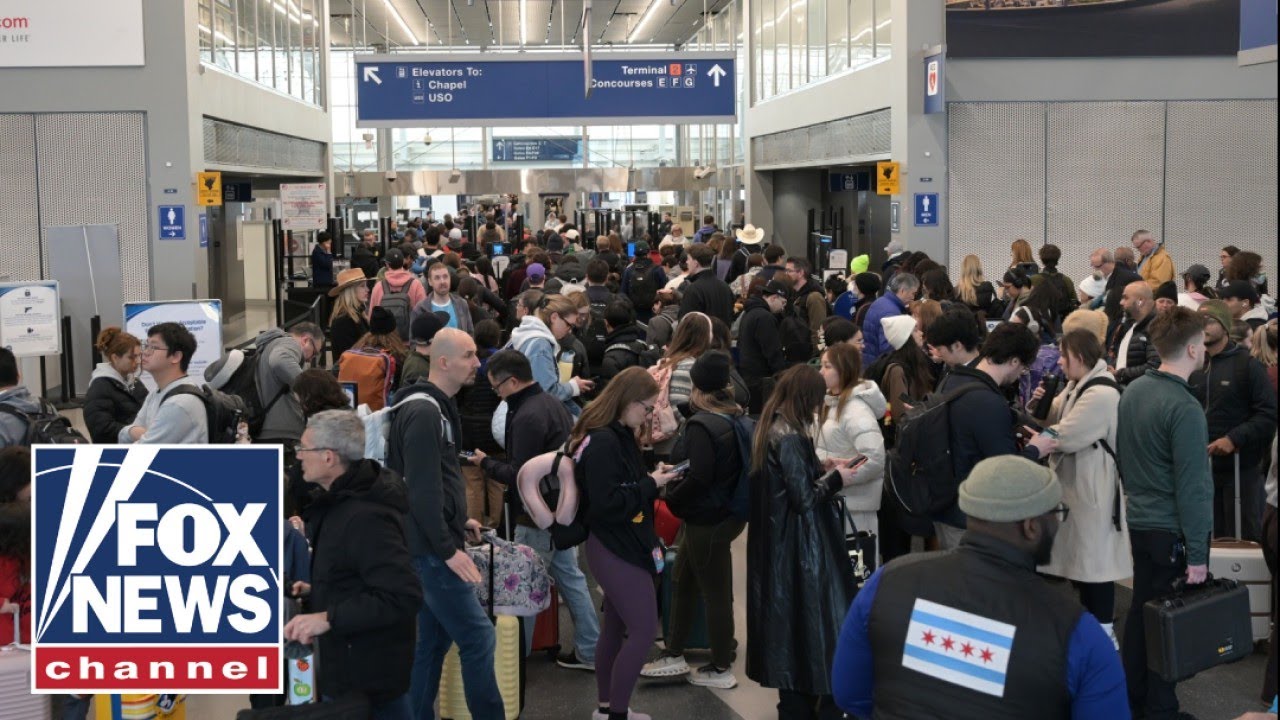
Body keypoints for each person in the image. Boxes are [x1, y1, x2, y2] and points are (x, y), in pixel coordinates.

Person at [831, 455, 1128, 719]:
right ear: (1031, 526)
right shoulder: (1076, 633)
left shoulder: (887, 582)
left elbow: (849, 693)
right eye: (1057, 514)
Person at [384, 329, 505, 720]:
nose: (477, 363)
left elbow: (433, 482)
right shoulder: (423, 413)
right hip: (431, 553)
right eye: (469, 356)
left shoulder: (433, 408)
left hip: (426, 545)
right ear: (443, 362)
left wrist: (458, 517)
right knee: (478, 636)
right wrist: (447, 548)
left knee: (431, 644)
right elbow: (419, 491)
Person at [466, 350, 600, 670]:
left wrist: (485, 463)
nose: (496, 394)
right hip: (561, 509)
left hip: (536, 514)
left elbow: (518, 474)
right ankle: (591, 649)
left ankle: (515, 659)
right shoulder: (552, 405)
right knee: (571, 579)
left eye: (497, 387)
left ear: (512, 381)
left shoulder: (526, 416)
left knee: (521, 586)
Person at [287, 410, 423, 720]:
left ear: (328, 457)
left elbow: (403, 595)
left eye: (303, 449)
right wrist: (318, 588)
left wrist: (327, 616)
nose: (298, 457)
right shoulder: (341, 502)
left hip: (369, 677)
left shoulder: (365, 516)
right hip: (353, 666)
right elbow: (359, 573)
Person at [746, 365, 862, 719]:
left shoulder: (771, 426)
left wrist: (821, 464)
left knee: (788, 639)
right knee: (819, 633)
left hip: (775, 548)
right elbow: (804, 499)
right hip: (802, 550)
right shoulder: (793, 435)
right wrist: (837, 478)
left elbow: (784, 483)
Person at [570, 367, 681, 720]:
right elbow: (606, 503)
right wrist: (650, 483)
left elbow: (620, 488)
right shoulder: (605, 441)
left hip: (619, 543)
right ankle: (615, 713)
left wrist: (650, 477)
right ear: (627, 401)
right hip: (616, 545)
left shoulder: (613, 435)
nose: (649, 415)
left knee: (616, 628)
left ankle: (608, 708)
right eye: (647, 408)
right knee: (644, 629)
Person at [1118, 306, 1213, 719]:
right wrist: (1198, 555)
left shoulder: (1135, 390)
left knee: (1142, 613)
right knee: (1166, 624)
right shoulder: (1185, 408)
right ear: (1193, 350)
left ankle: (1134, 699)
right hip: (1170, 530)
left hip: (1138, 522)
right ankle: (1160, 708)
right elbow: (1194, 488)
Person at [642, 352, 748, 688]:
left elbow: (700, 476)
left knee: (713, 591)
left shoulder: (702, 425)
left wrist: (668, 497)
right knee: (684, 581)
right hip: (724, 514)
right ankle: (674, 649)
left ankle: (721, 666)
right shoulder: (734, 417)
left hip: (706, 519)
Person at [1030, 330, 1130, 646]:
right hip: (1077, 485)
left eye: (1064, 356)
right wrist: (1040, 404)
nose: (1059, 361)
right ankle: (1090, 629)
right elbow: (1052, 418)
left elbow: (1068, 433)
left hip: (1093, 487)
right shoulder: (1078, 385)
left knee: (1093, 564)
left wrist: (1036, 445)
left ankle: (1103, 632)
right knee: (1083, 561)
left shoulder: (1101, 393)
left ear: (1080, 357)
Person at [933, 323, 1059, 549]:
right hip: (970, 516)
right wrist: (1035, 449)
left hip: (945, 505)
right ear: (1013, 361)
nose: (1021, 373)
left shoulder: (952, 380)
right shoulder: (988, 402)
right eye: (1023, 367)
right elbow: (1005, 469)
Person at [1192, 300, 1277, 541]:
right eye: (1198, 321)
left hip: (1241, 469)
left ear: (1225, 325)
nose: (1203, 326)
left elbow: (1268, 414)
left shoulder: (1247, 365)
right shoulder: (1194, 364)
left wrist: (1233, 438)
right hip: (1201, 470)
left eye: (1209, 320)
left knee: (1244, 536)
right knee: (1208, 538)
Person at [815, 343, 887, 538]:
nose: (821, 372)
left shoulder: (856, 411)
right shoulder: (829, 403)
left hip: (854, 512)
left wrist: (838, 478)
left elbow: (874, 459)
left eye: (827, 366)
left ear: (843, 369)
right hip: (836, 503)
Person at [506, 292, 595, 418]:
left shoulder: (525, 333)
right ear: (554, 317)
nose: (569, 330)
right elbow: (546, 393)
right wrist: (573, 386)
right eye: (568, 325)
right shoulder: (540, 345)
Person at [119, 323, 208, 444]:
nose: (145, 352)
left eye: (153, 347)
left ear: (176, 356)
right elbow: (123, 436)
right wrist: (131, 431)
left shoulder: (179, 403)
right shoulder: (156, 393)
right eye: (146, 346)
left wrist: (135, 433)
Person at [254, 322, 325, 447]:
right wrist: (310, 388)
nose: (310, 359)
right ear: (305, 340)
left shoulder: (272, 344)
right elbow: (279, 360)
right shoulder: (290, 344)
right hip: (279, 432)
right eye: (314, 353)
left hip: (268, 428)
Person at [83, 327, 148, 444]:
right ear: (115, 358)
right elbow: (100, 430)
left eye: (139, 356)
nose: (138, 361)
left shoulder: (135, 382)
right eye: (132, 357)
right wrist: (131, 432)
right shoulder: (100, 387)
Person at [737, 281, 792, 414]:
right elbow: (773, 351)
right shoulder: (764, 317)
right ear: (774, 298)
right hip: (762, 381)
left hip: (748, 377)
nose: (783, 308)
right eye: (783, 303)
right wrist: (783, 378)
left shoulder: (749, 313)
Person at [1108, 281, 1160, 387]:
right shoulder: (1131, 326)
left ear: (1140, 301)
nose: (1121, 302)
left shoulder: (1156, 327)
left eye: (1126, 298)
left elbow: (1154, 365)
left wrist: (1120, 374)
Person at [862, 272, 919, 367]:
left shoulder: (881, 302)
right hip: (879, 367)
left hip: (870, 360)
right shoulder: (892, 313)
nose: (913, 298)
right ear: (902, 291)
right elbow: (888, 347)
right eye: (913, 293)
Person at [924, 307, 982, 391]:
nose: (938, 354)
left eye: (939, 349)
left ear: (957, 346)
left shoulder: (976, 382)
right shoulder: (953, 365)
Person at [678, 243, 736, 327]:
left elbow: (686, 324)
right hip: (722, 338)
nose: (686, 262)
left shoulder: (693, 289)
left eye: (688, 259)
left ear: (696, 263)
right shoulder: (725, 287)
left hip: (701, 338)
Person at [329, 268, 372, 360]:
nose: (367, 289)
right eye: (362, 286)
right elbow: (349, 356)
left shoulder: (359, 313)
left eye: (366, 285)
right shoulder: (344, 320)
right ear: (351, 291)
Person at [956, 254, 999, 320]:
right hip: (983, 325)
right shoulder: (988, 287)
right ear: (979, 268)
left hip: (964, 326)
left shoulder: (957, 291)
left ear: (963, 269)